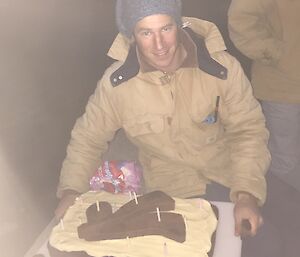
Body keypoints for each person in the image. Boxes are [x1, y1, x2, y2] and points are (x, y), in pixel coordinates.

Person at [55, 0, 270, 247]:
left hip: (230, 175)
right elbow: (88, 138)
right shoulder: (116, 85)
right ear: (132, 35)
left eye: (166, 29)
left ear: (178, 24)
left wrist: (247, 194)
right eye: (146, 32)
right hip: (172, 194)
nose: (159, 45)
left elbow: (248, 130)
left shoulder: (221, 68)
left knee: (269, 241)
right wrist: (71, 190)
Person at [228, 0, 300, 191]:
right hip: (284, 87)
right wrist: (280, 54)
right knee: (285, 162)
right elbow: (240, 19)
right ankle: (289, 213)